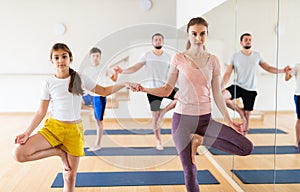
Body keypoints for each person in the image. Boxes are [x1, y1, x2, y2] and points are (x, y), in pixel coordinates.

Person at [129, 17, 253, 192]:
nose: (198, 37)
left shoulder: (213, 60)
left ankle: (199, 140)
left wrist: (229, 120)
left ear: (207, 35)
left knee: (246, 147)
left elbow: (217, 93)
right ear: (188, 35)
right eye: (194, 33)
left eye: (202, 34)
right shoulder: (178, 59)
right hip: (182, 123)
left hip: (205, 121)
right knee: (189, 171)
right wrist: (143, 89)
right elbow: (166, 90)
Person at [12, 43, 130, 192]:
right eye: (56, 57)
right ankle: (58, 152)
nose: (60, 60)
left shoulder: (79, 78)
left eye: (64, 56)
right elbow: (41, 112)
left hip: (74, 132)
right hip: (54, 129)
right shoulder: (48, 83)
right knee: (18, 154)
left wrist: (124, 83)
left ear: (70, 59)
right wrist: (27, 132)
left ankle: (61, 155)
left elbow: (104, 90)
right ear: (52, 61)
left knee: (69, 177)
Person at [114, 33, 178, 150]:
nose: (158, 41)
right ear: (152, 42)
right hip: (153, 90)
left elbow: (174, 73)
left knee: (181, 97)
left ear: (163, 42)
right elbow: (135, 67)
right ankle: (159, 141)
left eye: (160, 40)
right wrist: (122, 71)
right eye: (156, 40)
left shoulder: (169, 57)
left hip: (166, 87)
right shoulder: (147, 55)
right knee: (155, 118)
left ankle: (163, 111)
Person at [222, 33, 290, 132]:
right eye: (246, 39)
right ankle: (240, 111)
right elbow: (227, 73)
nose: (248, 41)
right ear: (241, 42)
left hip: (251, 89)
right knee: (223, 96)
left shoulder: (257, 55)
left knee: (247, 119)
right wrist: (220, 86)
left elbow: (268, 68)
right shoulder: (235, 56)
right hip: (238, 86)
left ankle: (244, 141)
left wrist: (282, 70)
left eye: (250, 39)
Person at [81, 47, 118, 152]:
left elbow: (114, 79)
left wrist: (116, 72)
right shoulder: (86, 69)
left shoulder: (104, 68)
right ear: (90, 57)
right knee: (76, 102)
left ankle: (97, 144)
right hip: (88, 94)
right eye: (93, 56)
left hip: (99, 96)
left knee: (99, 122)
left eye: (97, 56)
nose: (95, 58)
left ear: (100, 57)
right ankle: (91, 109)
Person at [285, 64, 300, 151]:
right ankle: (298, 141)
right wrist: (287, 71)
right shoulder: (298, 66)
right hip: (299, 96)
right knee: (299, 119)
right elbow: (287, 78)